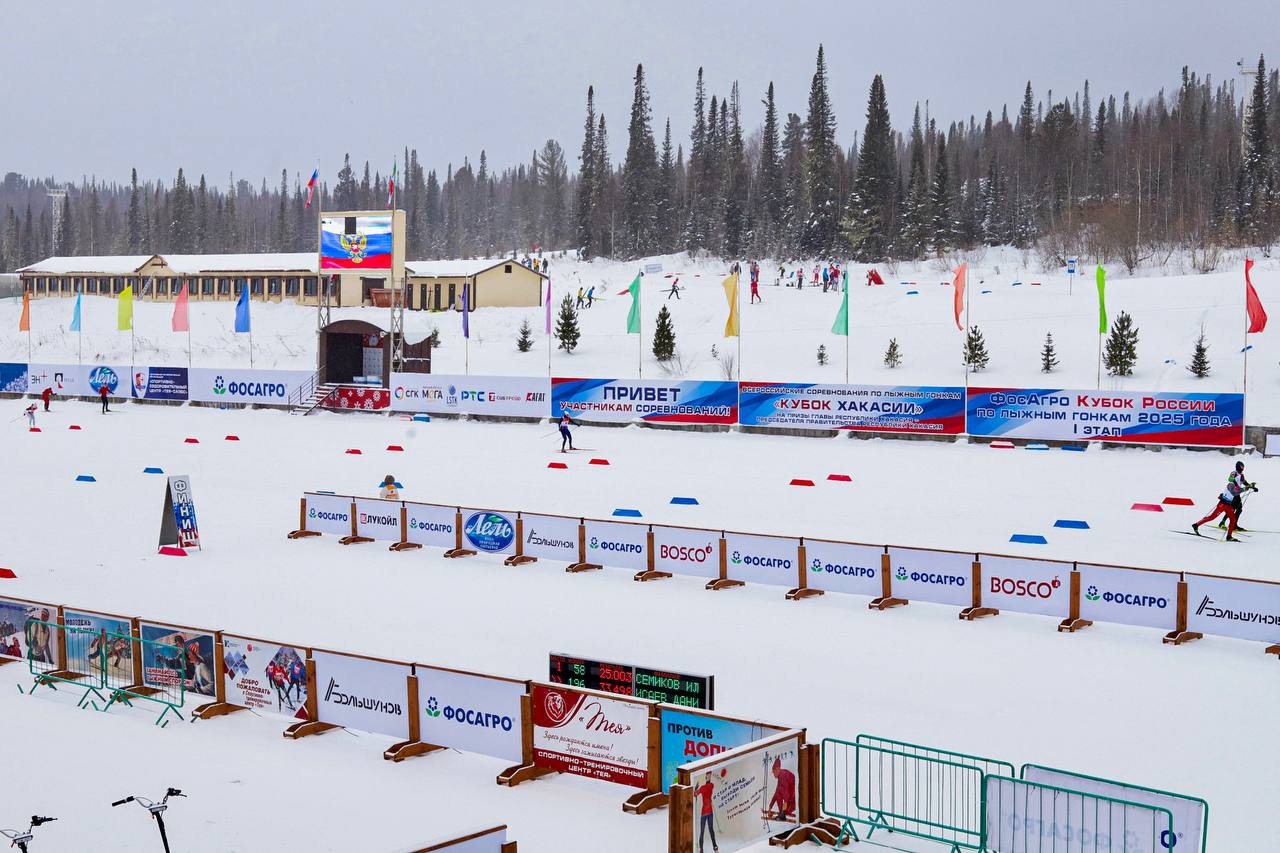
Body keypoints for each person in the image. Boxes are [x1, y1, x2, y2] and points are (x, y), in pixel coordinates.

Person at [1192, 469, 1252, 541]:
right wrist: (1245, 488)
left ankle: (1229, 537)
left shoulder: (1236, 484)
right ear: (1238, 480)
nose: (1242, 482)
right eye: (1241, 481)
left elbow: (1240, 489)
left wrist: (1251, 487)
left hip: (1228, 505)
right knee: (1212, 517)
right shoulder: (1231, 484)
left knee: (1233, 519)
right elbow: (1234, 493)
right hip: (1222, 505)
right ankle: (1196, 525)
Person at [1218, 461, 1258, 531]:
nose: (1242, 468)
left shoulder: (1241, 475)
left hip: (1237, 494)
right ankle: (1232, 525)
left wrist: (1252, 487)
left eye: (1243, 466)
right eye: (1241, 466)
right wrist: (1236, 483)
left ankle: (1226, 523)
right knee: (1235, 509)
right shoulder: (1234, 473)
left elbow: (1245, 483)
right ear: (1238, 466)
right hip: (1232, 494)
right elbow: (1230, 479)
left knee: (1235, 509)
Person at [694, 772, 719, 853]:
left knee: (711, 830)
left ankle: (715, 848)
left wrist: (696, 791)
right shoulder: (704, 787)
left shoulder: (710, 785)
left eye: (710, 775)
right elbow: (695, 794)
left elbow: (697, 793)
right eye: (708, 775)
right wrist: (695, 791)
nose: (709, 777)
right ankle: (701, 849)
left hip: (709, 812)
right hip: (704, 813)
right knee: (702, 831)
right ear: (706, 777)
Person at [766, 757, 797, 821]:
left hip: (794, 798)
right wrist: (770, 807)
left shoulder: (783, 775)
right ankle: (782, 813)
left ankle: (782, 814)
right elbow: (777, 793)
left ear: (777, 769)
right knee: (778, 794)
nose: (773, 774)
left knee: (786, 811)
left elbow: (786, 791)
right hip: (790, 797)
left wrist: (785, 803)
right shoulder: (780, 776)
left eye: (774, 772)